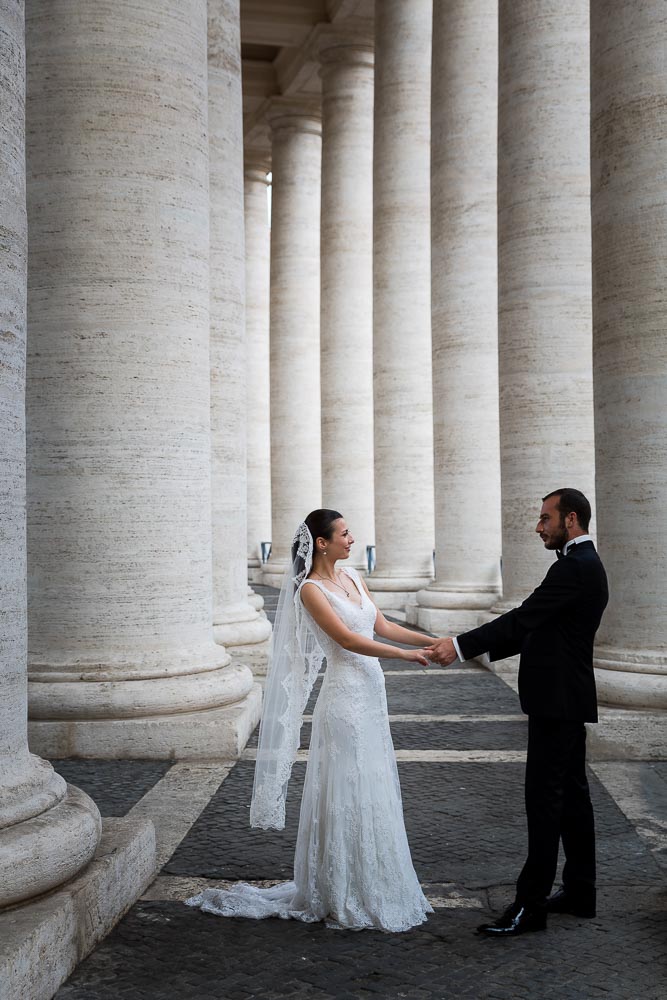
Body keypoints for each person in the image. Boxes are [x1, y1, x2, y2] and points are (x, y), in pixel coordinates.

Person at [187, 509, 434, 931]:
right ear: (321, 542)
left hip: (372, 693)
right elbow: (347, 639)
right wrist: (409, 656)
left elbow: (382, 625)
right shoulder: (310, 591)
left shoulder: (354, 576)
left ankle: (376, 878)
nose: (352, 538)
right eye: (344, 533)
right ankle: (339, 887)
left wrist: (438, 643)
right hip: (343, 699)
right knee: (348, 784)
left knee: (373, 780)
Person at [427, 488, 608, 937]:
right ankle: (581, 891)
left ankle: (531, 907)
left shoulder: (574, 568)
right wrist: (479, 648)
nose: (538, 526)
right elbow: (537, 626)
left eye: (545, 518)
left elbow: (523, 618)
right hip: (565, 700)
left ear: (570, 520)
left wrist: (459, 645)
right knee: (572, 799)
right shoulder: (579, 565)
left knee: (544, 803)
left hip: (557, 703)